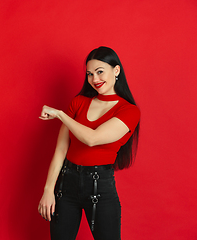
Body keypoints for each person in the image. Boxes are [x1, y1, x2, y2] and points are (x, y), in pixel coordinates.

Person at [37, 46, 140, 240]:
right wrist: (48, 190)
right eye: (90, 74)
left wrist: (60, 114)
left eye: (100, 72)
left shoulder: (129, 111)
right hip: (66, 183)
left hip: (100, 186)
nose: (94, 79)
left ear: (116, 70)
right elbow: (61, 149)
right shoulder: (79, 102)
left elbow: (92, 139)